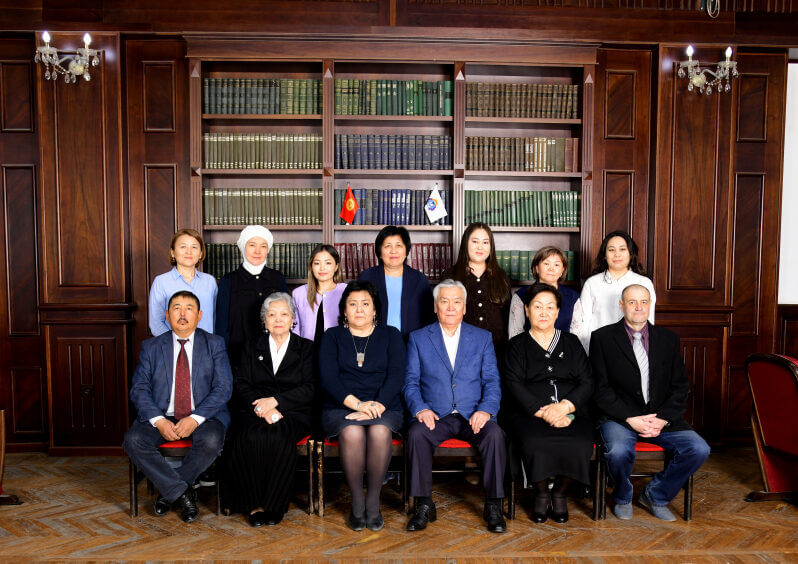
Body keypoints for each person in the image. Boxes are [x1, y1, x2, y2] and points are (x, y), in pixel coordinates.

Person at [591, 284, 710, 522]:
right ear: (622, 305)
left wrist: (663, 418)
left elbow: (680, 386)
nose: (638, 307)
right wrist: (629, 418)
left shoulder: (668, 339)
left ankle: (656, 495)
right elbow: (599, 388)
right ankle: (622, 497)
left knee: (698, 449)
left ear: (650, 305)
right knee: (618, 451)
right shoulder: (602, 338)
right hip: (619, 418)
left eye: (643, 302)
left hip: (660, 418)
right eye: (632, 302)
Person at [403, 279, 507, 533]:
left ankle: (493, 505)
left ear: (465, 307)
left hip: (473, 415)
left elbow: (492, 381)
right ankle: (423, 504)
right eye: (445, 301)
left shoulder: (482, 338)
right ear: (435, 307)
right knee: (416, 434)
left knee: (495, 435)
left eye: (457, 302)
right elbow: (410, 382)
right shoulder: (418, 338)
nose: (451, 307)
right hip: (435, 415)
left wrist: (485, 409)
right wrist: (421, 408)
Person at [123, 290, 232, 523]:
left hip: (204, 416)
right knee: (133, 440)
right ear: (167, 315)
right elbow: (139, 388)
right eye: (176, 308)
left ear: (199, 315)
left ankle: (168, 493)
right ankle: (182, 492)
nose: (183, 314)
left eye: (189, 309)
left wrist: (195, 418)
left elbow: (224, 388)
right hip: (163, 414)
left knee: (212, 440)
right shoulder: (152, 347)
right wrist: (159, 421)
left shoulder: (214, 344)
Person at [319, 281, 406, 532]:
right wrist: (357, 404)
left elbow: (397, 375)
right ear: (344, 310)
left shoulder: (391, 334)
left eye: (365, 304)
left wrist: (378, 404)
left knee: (379, 431)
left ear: (375, 309)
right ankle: (357, 503)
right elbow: (329, 379)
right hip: (340, 406)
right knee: (352, 432)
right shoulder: (332, 336)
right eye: (353, 304)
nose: (359, 309)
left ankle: (373, 501)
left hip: (385, 406)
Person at [503, 283, 593, 524]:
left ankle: (560, 493)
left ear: (557, 312)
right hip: (529, 413)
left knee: (580, 442)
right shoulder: (516, 345)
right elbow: (513, 384)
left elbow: (587, 381)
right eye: (537, 307)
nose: (544, 312)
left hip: (571, 411)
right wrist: (543, 412)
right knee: (535, 441)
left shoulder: (572, 342)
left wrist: (565, 407)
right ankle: (541, 493)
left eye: (550, 307)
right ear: (527, 310)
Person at [221, 292, 314, 527]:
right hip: (255, 409)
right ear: (265, 320)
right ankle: (254, 504)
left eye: (284, 314)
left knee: (278, 436)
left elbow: (310, 387)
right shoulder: (251, 346)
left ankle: (274, 504)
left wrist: (277, 402)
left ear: (293, 319)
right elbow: (241, 383)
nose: (278, 319)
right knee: (249, 436)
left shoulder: (306, 348)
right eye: (272, 315)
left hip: (293, 411)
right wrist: (263, 408)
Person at [570, 230, 655, 352]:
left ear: (630, 253)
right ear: (604, 255)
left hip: (633, 349)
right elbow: (584, 323)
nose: (617, 254)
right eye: (611, 250)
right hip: (599, 348)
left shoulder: (644, 283)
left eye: (622, 249)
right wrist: (586, 352)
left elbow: (649, 321)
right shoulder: (592, 283)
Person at [215, 225, 287, 367]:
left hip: (273, 354)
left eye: (263, 246)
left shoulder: (277, 278)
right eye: (252, 245)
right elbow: (222, 325)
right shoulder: (229, 280)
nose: (257, 251)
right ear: (243, 247)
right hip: (237, 355)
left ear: (268, 249)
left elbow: (286, 317)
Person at [443, 223, 511, 356]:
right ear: (466, 244)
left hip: (497, 352)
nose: (480, 247)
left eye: (485, 242)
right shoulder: (450, 276)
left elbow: (507, 316)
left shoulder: (501, 276)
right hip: (460, 352)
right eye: (475, 241)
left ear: (491, 247)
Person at [358, 225, 435, 340]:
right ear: (379, 252)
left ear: (406, 250)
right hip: (374, 343)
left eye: (398, 245)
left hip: (410, 344)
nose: (393, 251)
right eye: (387, 246)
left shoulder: (419, 279)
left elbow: (428, 318)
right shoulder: (367, 277)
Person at [149, 229, 217, 336]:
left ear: (200, 253)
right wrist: (179, 343)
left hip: (207, 344)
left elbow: (216, 318)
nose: (188, 252)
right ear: (173, 252)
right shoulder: (161, 282)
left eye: (194, 247)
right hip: (174, 345)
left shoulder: (209, 281)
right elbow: (156, 324)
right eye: (183, 247)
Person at [508, 246, 580, 338]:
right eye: (546, 264)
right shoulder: (521, 295)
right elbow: (515, 334)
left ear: (562, 270)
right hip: (528, 346)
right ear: (537, 268)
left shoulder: (572, 297)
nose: (551, 269)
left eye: (556, 265)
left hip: (566, 346)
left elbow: (578, 335)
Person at [292, 244, 347, 343]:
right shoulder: (299, 293)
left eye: (328, 263)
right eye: (317, 263)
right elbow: (295, 329)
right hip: (306, 350)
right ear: (311, 266)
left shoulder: (346, 291)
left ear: (336, 266)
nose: (322, 268)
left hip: (339, 349)